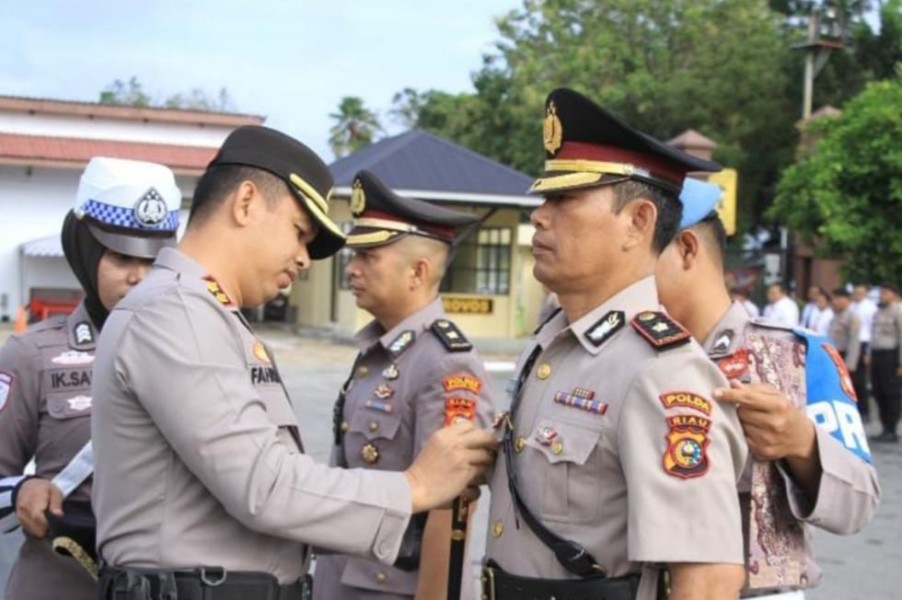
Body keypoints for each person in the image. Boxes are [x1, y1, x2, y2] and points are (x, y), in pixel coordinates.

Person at [90, 126, 496, 600]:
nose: (305, 260)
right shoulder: (178, 312)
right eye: (300, 233)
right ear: (246, 203)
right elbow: (264, 485)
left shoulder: (207, 314)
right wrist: (413, 487)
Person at [483, 88, 748, 600]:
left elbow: (708, 581)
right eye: (543, 198)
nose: (539, 216)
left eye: (564, 199)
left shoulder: (662, 372)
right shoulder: (554, 348)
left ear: (638, 222)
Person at [656, 180, 879, 598]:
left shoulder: (793, 354)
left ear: (687, 249)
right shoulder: (625, 354)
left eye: (642, 255)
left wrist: (803, 444)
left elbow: (859, 503)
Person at [0, 157, 182, 600]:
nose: (140, 277)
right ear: (85, 249)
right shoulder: (31, 354)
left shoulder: (199, 353)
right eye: (122, 257)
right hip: (61, 582)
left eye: (155, 261)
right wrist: (23, 490)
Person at [313, 170, 494, 600]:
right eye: (352, 255)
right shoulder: (381, 351)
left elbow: (451, 509)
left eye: (368, 257)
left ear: (417, 271)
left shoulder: (446, 362)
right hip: (343, 578)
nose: (351, 269)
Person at [867, 282, 902, 443]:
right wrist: (869, 354)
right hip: (877, 354)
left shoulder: (898, 311)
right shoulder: (878, 312)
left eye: (885, 293)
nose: (882, 295)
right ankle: (884, 428)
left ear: (894, 295)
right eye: (881, 293)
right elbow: (873, 335)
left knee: (891, 393)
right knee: (878, 391)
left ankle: (892, 429)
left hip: (891, 356)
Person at [851, 284, 878, 421]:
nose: (857, 294)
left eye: (860, 292)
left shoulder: (870, 308)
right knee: (852, 378)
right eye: (856, 292)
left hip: (864, 342)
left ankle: (865, 410)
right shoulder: (853, 306)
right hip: (853, 342)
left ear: (866, 293)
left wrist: (868, 351)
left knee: (861, 379)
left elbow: (873, 330)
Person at [829, 288, 862, 376]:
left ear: (847, 300)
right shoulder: (834, 316)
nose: (835, 302)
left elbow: (854, 342)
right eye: (834, 299)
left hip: (844, 355)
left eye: (838, 299)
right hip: (833, 355)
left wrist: (849, 365)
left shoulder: (852, 317)